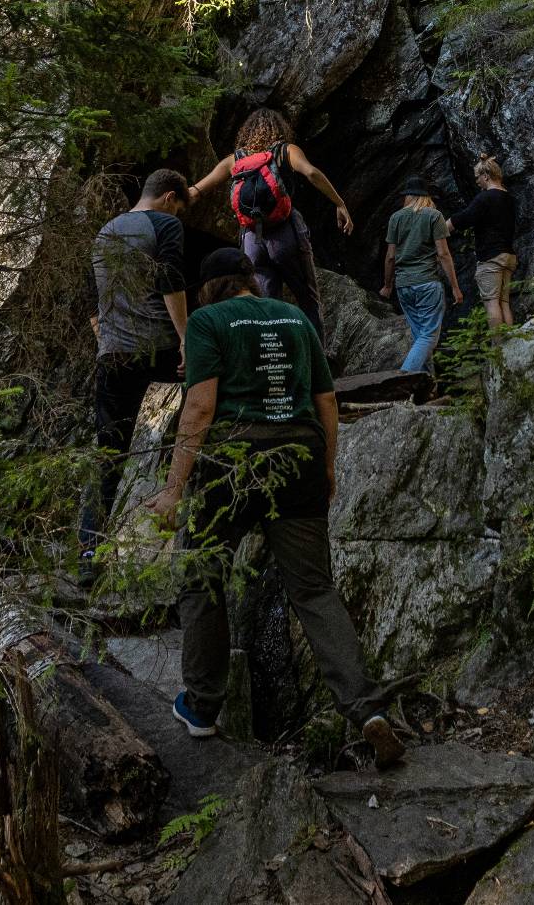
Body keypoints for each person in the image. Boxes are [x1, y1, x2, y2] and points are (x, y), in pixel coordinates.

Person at [145, 248, 404, 766]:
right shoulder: (295, 318)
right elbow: (326, 401)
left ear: (209, 287)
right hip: (300, 455)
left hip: (233, 460)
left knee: (203, 576)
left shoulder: (206, 322)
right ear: (247, 280)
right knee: (313, 589)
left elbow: (200, 404)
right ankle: (366, 707)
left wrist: (174, 488)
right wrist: (327, 468)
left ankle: (202, 707)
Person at [80, 168, 191, 578]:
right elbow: (170, 277)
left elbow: (91, 298)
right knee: (204, 414)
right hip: (160, 349)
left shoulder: (104, 232)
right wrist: (185, 339)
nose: (178, 215)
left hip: (113, 355)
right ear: (168, 197)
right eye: (178, 207)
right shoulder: (164, 224)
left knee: (108, 455)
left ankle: (87, 559)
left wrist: (105, 339)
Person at [187, 108, 353, 338]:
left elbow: (196, 192)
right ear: (279, 128)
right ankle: (317, 363)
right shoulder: (286, 151)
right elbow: (312, 173)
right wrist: (340, 203)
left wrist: (161, 204)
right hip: (286, 234)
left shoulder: (234, 160)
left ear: (246, 132)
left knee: (265, 303)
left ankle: (273, 360)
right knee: (307, 298)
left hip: (252, 239)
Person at [380, 177, 461, 373]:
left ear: (408, 196)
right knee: (428, 337)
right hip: (427, 284)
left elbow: (390, 256)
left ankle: (424, 387)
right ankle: (404, 376)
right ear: (427, 197)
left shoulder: (395, 218)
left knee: (420, 337)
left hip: (403, 286)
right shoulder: (434, 216)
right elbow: (443, 254)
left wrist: (387, 285)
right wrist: (455, 287)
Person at [447, 155, 518, 329]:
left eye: (477, 177)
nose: (477, 181)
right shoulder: (510, 199)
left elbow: (465, 218)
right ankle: (511, 344)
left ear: (486, 176)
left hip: (491, 258)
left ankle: (497, 350)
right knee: (504, 302)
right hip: (508, 257)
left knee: (491, 303)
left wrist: (443, 225)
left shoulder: (485, 197)